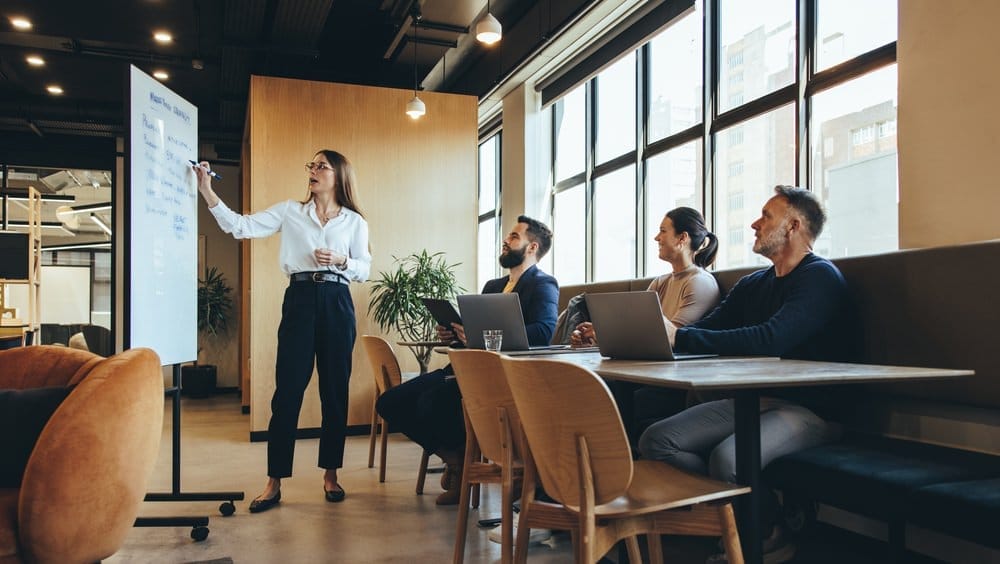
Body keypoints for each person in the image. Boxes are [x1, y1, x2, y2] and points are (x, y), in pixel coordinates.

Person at [637, 186, 851, 563]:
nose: (754, 223)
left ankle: (765, 537)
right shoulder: (755, 283)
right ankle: (753, 517)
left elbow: (773, 338)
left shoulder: (820, 278)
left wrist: (681, 336)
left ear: (794, 226)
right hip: (752, 399)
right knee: (657, 440)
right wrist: (660, 335)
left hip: (810, 408)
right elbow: (711, 329)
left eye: (766, 216)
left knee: (729, 459)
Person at [193, 150, 371, 513]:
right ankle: (273, 483)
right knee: (287, 392)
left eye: (322, 166)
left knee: (334, 391)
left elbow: (364, 269)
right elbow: (240, 226)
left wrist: (341, 260)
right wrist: (206, 190)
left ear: (338, 175)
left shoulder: (354, 221)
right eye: (312, 165)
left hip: (338, 301)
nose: (314, 171)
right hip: (301, 299)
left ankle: (331, 475)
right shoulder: (291, 211)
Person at [375, 216, 558, 505]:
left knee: (431, 402)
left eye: (513, 236)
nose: (506, 240)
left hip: (501, 378)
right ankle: (458, 460)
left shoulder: (543, 284)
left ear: (532, 247)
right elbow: (474, 338)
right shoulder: (493, 285)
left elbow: (544, 332)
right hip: (465, 369)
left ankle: (465, 464)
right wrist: (456, 334)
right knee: (389, 402)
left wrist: (482, 334)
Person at [570, 206, 721, 441]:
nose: (656, 237)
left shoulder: (700, 283)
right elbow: (640, 332)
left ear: (682, 238)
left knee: (605, 391)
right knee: (587, 385)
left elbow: (671, 338)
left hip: (673, 382)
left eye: (663, 231)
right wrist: (598, 335)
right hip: (647, 374)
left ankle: (614, 463)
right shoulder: (660, 283)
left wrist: (610, 335)